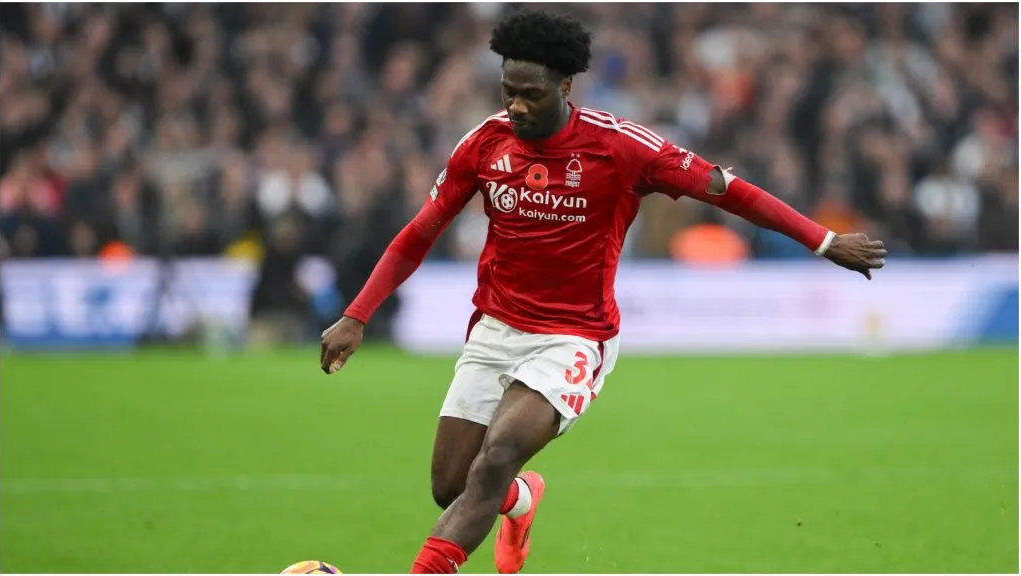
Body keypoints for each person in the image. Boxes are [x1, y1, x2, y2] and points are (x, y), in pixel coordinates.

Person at [320, 9, 887, 574]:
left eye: (531, 94)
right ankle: (521, 500)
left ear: (565, 86)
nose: (516, 105)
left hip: (573, 338)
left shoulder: (619, 147)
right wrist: (357, 315)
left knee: (497, 457)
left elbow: (724, 189)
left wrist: (823, 240)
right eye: (507, 91)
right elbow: (418, 234)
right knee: (453, 488)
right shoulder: (485, 144)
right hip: (495, 329)